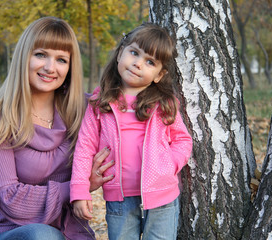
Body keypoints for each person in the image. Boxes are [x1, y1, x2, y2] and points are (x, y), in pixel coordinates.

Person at [0, 17, 114, 240]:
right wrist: (79, 185)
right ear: (25, 56)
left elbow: (129, 120)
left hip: (72, 232)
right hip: (16, 232)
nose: (50, 67)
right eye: (40, 55)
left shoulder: (84, 110)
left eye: (61, 59)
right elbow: (11, 199)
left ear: (70, 67)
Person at [70, 22, 193, 240]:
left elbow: (182, 140)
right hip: (120, 199)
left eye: (149, 62)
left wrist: (168, 164)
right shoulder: (100, 102)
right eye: (134, 53)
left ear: (158, 74)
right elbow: (84, 146)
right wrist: (80, 190)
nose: (137, 64)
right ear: (120, 53)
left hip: (162, 195)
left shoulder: (164, 104)